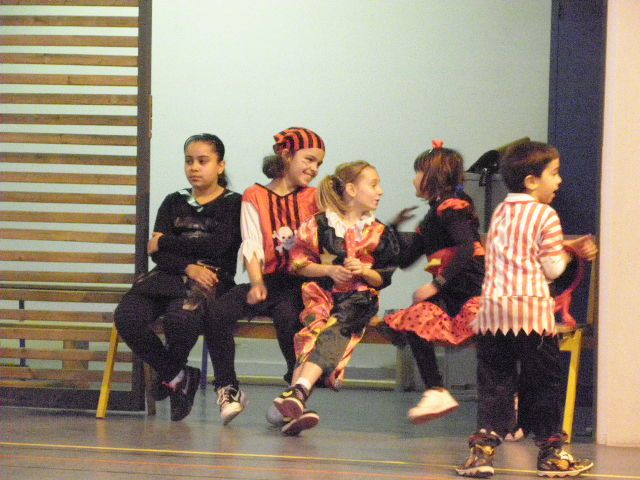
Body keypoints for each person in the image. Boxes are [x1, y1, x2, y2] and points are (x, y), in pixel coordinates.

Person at [456, 141, 598, 478]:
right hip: (531, 314)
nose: (559, 181)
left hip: (493, 313)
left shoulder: (501, 211)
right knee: (542, 384)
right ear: (532, 181)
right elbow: (550, 268)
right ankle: (551, 453)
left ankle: (482, 452)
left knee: (495, 384)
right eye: (554, 173)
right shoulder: (546, 214)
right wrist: (569, 254)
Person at [114, 133, 241, 421]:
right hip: (167, 276)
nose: (194, 167)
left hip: (210, 280)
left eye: (203, 161)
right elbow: (155, 254)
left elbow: (218, 247)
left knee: (180, 320)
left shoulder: (235, 203)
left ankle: (169, 378)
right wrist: (187, 266)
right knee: (127, 317)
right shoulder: (174, 201)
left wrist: (167, 242)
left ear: (220, 166)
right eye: (189, 161)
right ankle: (177, 376)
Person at [204, 127, 325, 424]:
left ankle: (292, 394)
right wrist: (256, 282)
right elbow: (252, 242)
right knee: (218, 312)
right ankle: (228, 388)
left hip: (302, 282)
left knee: (288, 318)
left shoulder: (314, 198)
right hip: (269, 278)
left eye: (318, 164)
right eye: (308, 159)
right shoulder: (255, 195)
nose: (313, 168)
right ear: (286, 154)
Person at [271, 161, 399, 435]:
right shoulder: (318, 225)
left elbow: (383, 277)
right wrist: (328, 269)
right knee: (312, 331)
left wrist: (364, 271)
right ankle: (293, 405)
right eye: (373, 184)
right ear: (351, 189)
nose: (380, 191)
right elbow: (298, 263)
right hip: (321, 293)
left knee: (334, 332)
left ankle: (298, 391)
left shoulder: (379, 232)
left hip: (358, 299)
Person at [383, 141, 484, 424]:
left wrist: (436, 284)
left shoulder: (453, 207)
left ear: (434, 175)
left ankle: (511, 402)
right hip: (452, 291)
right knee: (415, 320)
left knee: (493, 344)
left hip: (470, 290)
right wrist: (390, 228)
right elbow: (405, 259)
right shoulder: (432, 215)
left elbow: (466, 248)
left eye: (418, 172)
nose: (414, 178)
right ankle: (436, 390)